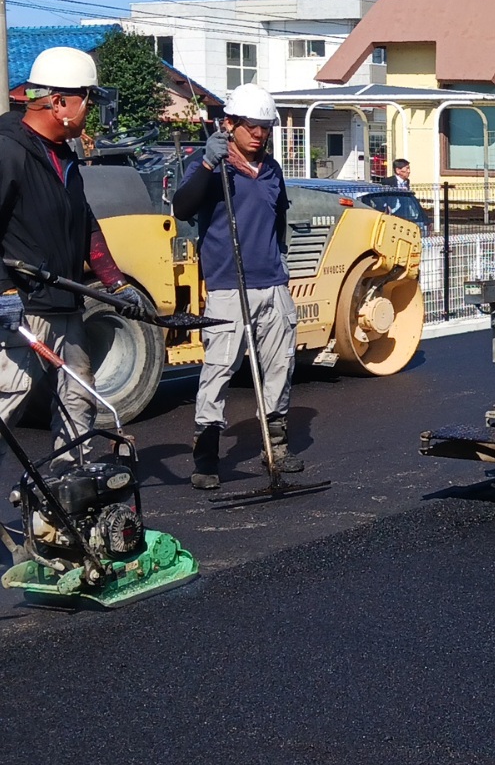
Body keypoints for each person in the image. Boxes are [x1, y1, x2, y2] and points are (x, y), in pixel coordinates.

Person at [0, 47, 138, 452]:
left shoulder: (63, 156)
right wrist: (3, 294)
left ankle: (66, 500)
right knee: (7, 399)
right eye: (86, 101)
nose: (89, 111)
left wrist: (115, 284)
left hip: (66, 304)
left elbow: (85, 224)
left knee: (78, 404)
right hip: (22, 310)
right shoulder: (9, 151)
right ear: (59, 102)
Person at [172, 83, 302, 489]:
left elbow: (278, 215)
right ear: (229, 125)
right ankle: (207, 454)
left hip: (272, 283)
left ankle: (275, 442)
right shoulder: (210, 166)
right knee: (219, 368)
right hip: (229, 285)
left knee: (279, 364)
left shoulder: (273, 169)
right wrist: (209, 166)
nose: (259, 134)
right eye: (251, 126)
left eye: (265, 126)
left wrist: (279, 254)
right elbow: (182, 207)